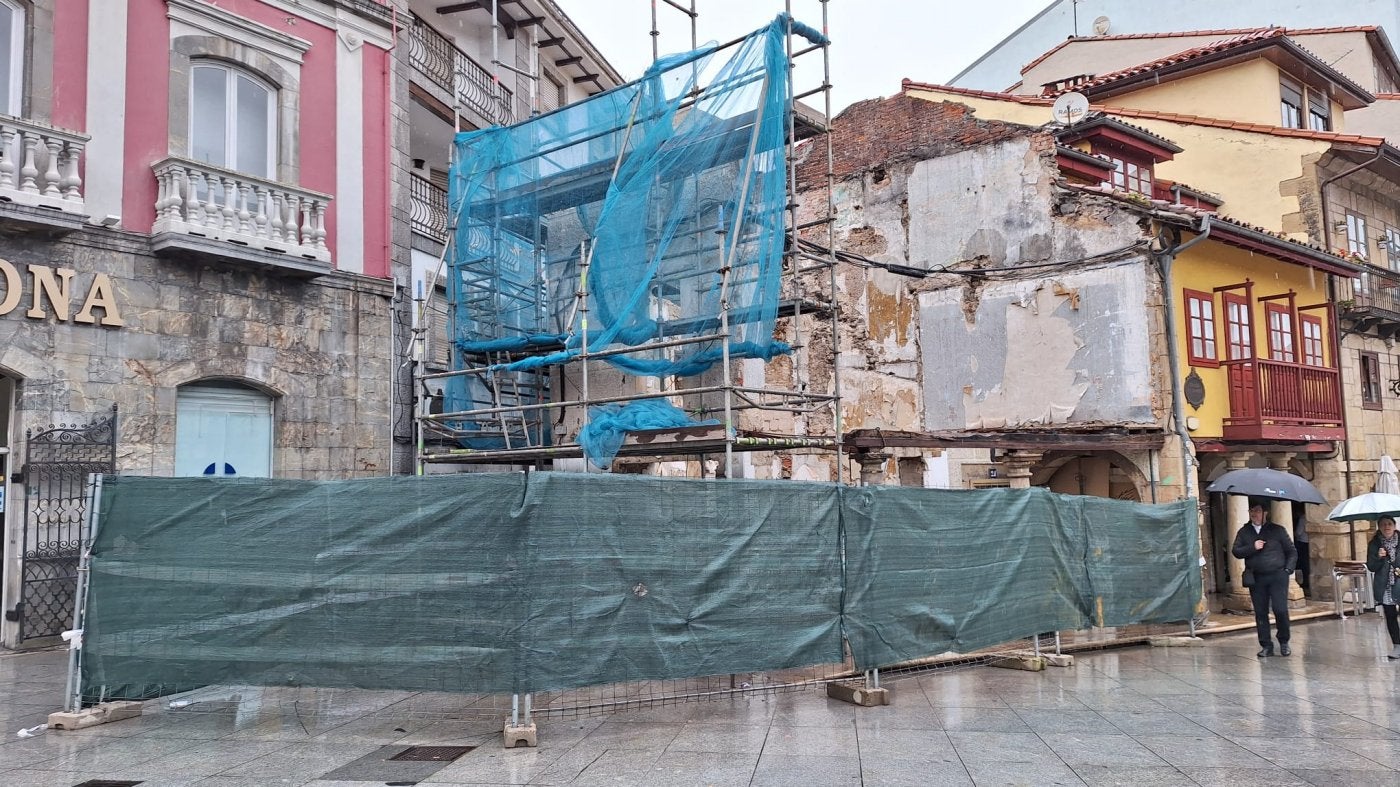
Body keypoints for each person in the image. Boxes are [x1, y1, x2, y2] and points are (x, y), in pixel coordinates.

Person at [1232, 498, 1297, 657]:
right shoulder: (1244, 532)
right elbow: (1236, 551)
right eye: (1251, 511)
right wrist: (1252, 547)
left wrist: (1288, 569)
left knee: (1280, 609)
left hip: (1277, 576)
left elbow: (1292, 551)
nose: (1254, 514)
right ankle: (1266, 645)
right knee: (1260, 612)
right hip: (1257, 577)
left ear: (1265, 513)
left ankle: (1283, 641)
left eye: (1257, 511)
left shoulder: (1277, 530)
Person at [1366, 516, 1400, 660]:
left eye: (1389, 524)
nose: (1387, 527)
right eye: (1383, 525)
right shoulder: (1374, 544)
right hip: (1385, 584)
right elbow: (1371, 566)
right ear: (1379, 527)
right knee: (1390, 615)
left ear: (1394, 525)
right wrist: (1379, 558)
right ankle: (1397, 645)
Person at [1293, 504, 1311, 597]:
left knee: (1303, 564)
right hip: (1309, 543)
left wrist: (1294, 534)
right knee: (1307, 564)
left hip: (1302, 543)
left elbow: (1299, 532)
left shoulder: (1302, 518)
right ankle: (1307, 582)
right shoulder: (1308, 517)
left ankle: (1306, 582)